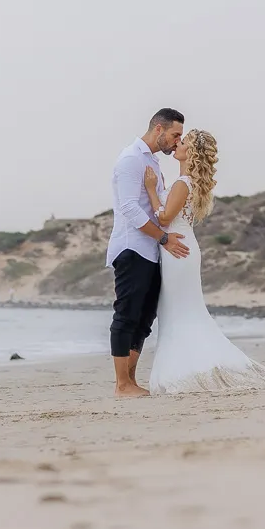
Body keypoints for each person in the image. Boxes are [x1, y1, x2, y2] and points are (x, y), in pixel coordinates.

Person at [143, 129, 265, 393]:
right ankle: (189, 362)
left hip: (177, 251)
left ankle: (184, 368)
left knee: (179, 311)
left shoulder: (183, 183)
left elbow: (165, 218)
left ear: (190, 153)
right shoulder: (189, 182)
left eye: (183, 142)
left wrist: (150, 190)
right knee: (183, 311)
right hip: (183, 248)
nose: (177, 144)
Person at [107, 109, 189, 397]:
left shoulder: (151, 160)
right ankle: (121, 385)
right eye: (175, 135)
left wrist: (160, 241)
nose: (177, 140)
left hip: (151, 250)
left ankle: (130, 380)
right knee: (127, 314)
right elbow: (129, 208)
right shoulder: (131, 158)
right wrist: (163, 237)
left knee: (144, 317)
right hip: (132, 247)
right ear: (158, 129)